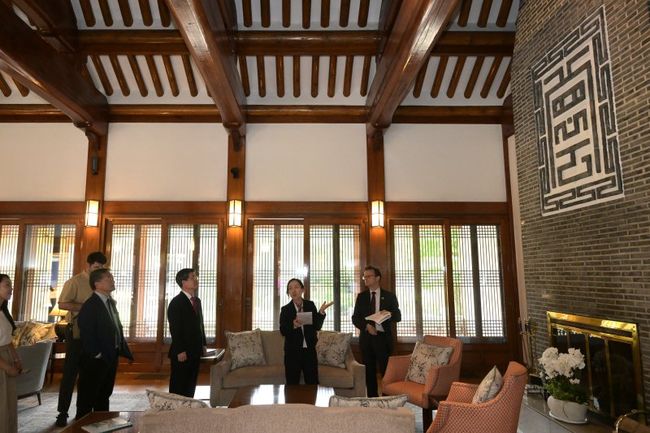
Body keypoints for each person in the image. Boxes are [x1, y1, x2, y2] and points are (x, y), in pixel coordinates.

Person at [55, 251, 107, 427]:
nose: (98, 270)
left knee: (89, 375)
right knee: (70, 373)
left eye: (102, 267)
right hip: (77, 333)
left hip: (96, 335)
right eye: (96, 267)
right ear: (88, 265)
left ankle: (83, 412)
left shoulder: (101, 283)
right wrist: (87, 307)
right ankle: (62, 412)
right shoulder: (75, 281)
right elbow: (62, 303)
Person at [76, 268, 133, 420]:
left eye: (112, 278)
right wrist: (97, 353)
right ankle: (81, 427)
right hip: (95, 359)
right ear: (97, 283)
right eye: (108, 278)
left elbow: (116, 328)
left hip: (110, 356)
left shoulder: (109, 303)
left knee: (104, 395)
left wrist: (122, 350)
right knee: (87, 398)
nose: (112, 280)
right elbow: (86, 331)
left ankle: (101, 424)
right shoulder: (91, 304)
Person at [352, 265, 401, 397]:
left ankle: (387, 398)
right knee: (369, 371)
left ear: (377, 278)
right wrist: (367, 326)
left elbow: (398, 316)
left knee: (386, 370)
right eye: (364, 277)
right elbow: (355, 318)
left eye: (369, 276)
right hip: (367, 338)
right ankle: (372, 398)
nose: (365, 279)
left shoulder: (389, 296)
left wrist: (388, 314)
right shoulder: (361, 297)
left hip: (383, 338)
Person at [279, 278, 333, 385]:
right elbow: (283, 330)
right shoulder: (285, 309)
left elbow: (317, 326)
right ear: (288, 292)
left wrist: (321, 312)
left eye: (296, 287)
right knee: (292, 385)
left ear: (302, 290)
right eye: (290, 288)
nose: (293, 290)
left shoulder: (310, 305)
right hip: (292, 353)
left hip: (309, 351)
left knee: (312, 383)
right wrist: (293, 325)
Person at [167, 268, 207, 397]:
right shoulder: (176, 302)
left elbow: (200, 324)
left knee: (191, 384)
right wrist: (180, 350)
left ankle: (188, 407)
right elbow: (175, 329)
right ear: (183, 282)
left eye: (196, 277)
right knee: (179, 385)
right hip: (182, 352)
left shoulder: (197, 301)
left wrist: (203, 344)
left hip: (195, 350)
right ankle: (176, 409)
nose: (196, 280)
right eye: (192, 277)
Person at [0, 274, 21, 433]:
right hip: (1, 362)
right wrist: (7, 367)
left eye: (11, 285)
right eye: (7, 285)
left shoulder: (3, 312)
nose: (11, 289)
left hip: (7, 356)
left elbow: (8, 340)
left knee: (9, 404)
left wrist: (16, 359)